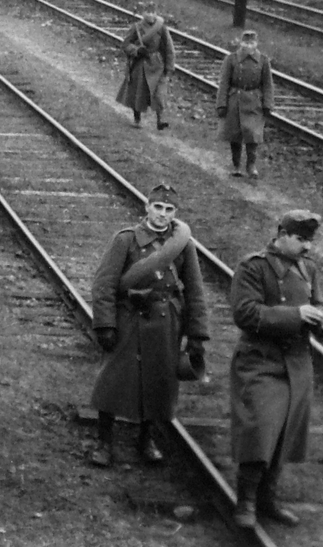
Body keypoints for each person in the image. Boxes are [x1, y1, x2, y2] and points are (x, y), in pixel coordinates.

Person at [229, 210, 323, 529]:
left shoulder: (309, 270)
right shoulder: (254, 266)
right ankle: (246, 500)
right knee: (260, 429)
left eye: (310, 241)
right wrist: (296, 315)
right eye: (301, 239)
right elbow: (245, 313)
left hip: (297, 365)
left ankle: (268, 498)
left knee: (285, 434)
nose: (307, 247)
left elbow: (318, 304)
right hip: (260, 362)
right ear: (282, 234)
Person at [86, 185, 208, 467]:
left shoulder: (183, 245)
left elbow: (195, 290)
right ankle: (104, 442)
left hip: (166, 321)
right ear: (147, 207)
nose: (162, 215)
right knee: (113, 379)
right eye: (158, 208)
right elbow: (104, 284)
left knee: (160, 382)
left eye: (169, 210)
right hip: (130, 317)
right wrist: (105, 324)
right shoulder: (126, 240)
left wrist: (197, 333)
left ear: (174, 213)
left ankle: (146, 439)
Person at [217, 30, 274, 178]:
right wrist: (221, 104)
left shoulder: (263, 61)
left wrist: (268, 104)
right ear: (240, 43)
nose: (249, 46)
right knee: (234, 134)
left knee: (253, 134)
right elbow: (224, 83)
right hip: (235, 99)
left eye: (252, 43)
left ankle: (251, 165)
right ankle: (236, 165)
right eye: (246, 42)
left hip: (254, 102)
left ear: (256, 44)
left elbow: (268, 85)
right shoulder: (231, 59)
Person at [116, 12, 175, 129]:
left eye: (152, 12)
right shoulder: (136, 27)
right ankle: (137, 119)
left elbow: (169, 48)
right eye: (147, 12)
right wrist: (136, 50)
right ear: (143, 14)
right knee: (137, 93)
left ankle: (160, 120)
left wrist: (169, 67)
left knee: (159, 93)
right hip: (140, 64)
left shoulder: (162, 28)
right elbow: (125, 44)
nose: (150, 15)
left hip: (157, 64)